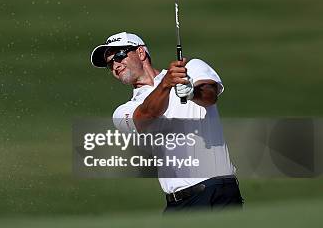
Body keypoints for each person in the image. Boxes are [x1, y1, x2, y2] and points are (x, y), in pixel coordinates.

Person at [90, 31, 243, 212]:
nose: (115, 65)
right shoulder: (122, 112)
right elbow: (146, 116)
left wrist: (193, 92)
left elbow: (210, 96)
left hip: (217, 191)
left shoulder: (191, 69)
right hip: (178, 203)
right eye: (109, 64)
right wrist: (166, 84)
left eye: (119, 55)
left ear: (140, 53)